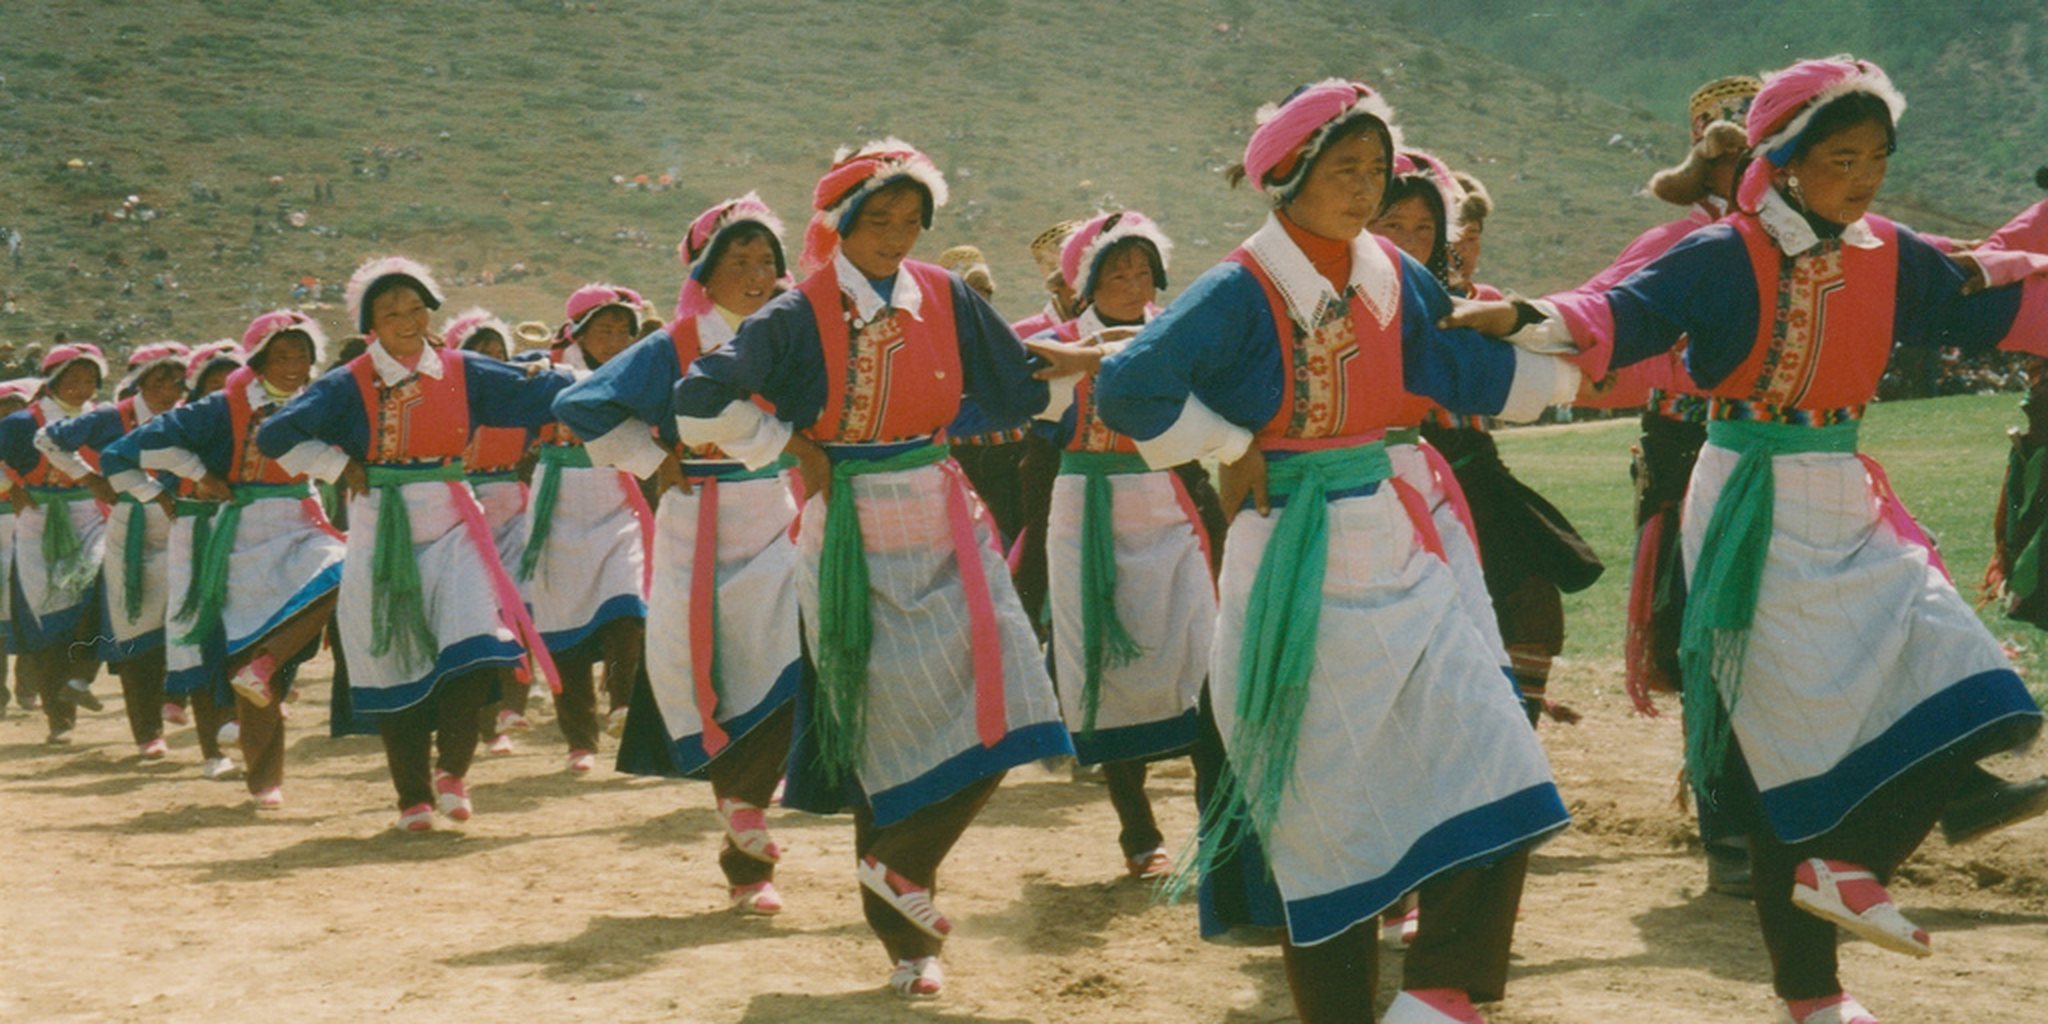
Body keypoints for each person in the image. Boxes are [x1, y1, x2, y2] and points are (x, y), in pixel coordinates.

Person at [1450, 56, 2048, 1024]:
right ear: (1785, 160)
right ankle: (1813, 995)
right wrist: (1527, 315)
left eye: (1877, 158)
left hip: (1844, 494)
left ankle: (1848, 867)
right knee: (1786, 754)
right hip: (1748, 504)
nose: (1863, 178)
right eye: (1842, 158)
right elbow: (1619, 310)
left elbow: (1986, 291)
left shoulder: (1887, 251)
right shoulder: (1721, 253)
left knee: (1982, 691)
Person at [1092, 80, 1577, 1024]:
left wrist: (1582, 359)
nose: (1365, 187)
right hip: (1292, 556)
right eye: (1344, 169)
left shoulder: (1390, 271)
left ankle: (1434, 995)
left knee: (1502, 761)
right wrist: (1230, 443)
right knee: (1324, 813)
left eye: (1376, 169)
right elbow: (1127, 386)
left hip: (1395, 542)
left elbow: (1453, 363)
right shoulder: (1241, 285)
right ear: (1289, 177)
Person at [674, 139, 1071, 998]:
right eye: (878, 218)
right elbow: (699, 399)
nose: (896, 235)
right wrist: (790, 444)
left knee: (1018, 700)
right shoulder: (799, 310)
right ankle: (907, 945)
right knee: (881, 729)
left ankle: (902, 863)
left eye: (911, 219)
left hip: (944, 512)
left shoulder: (944, 294)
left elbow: (1015, 381)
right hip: (851, 528)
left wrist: (1094, 359)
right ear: (840, 224)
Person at [255, 257, 569, 830]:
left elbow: (539, 393)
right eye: (390, 312)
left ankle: (453, 771)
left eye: (415, 308)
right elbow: (276, 434)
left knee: (473, 644)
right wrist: (337, 466)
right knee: (395, 655)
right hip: (383, 524)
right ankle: (413, 798)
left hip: (454, 521)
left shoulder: (461, 370)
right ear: (371, 324)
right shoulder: (347, 383)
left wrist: (586, 378)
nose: (406, 320)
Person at [556, 193, 804, 917]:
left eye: (766, 261)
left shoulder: (792, 333)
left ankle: (746, 811)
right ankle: (745, 854)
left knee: (797, 650)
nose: (755, 276)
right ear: (705, 272)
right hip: (700, 518)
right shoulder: (675, 343)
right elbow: (581, 404)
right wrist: (651, 459)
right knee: (716, 671)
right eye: (739, 261)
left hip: (780, 510)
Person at [1023, 210, 1214, 880]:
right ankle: (1138, 831)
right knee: (1108, 667)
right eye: (1117, 275)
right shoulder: (1054, 346)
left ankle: (1215, 827)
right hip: (1087, 512)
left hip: (1169, 502)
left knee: (1200, 655)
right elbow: (1034, 415)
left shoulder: (1177, 331)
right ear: (1087, 284)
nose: (1134, 286)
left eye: (1142, 273)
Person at [99, 313, 346, 809]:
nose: (293, 365)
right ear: (258, 362)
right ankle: (264, 780)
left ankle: (266, 661)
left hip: (299, 524)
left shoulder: (319, 402)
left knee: (346, 567)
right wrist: (194, 475)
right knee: (244, 649)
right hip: (235, 535)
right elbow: (120, 454)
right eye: (281, 355)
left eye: (301, 355)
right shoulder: (219, 409)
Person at [522, 284, 654, 773]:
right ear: (578, 334)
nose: (616, 340)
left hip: (617, 498)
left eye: (624, 331)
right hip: (558, 502)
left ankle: (622, 701)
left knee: (627, 600)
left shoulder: (642, 373)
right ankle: (580, 740)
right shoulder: (550, 373)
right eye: (605, 330)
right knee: (562, 622)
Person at [34, 341, 188, 761]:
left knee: (183, 620)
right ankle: (148, 732)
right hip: (130, 528)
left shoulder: (187, 416)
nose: (168, 392)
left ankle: (177, 700)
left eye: (177, 384)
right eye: (158, 383)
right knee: (136, 626)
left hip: (184, 525)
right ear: (140, 383)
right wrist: (89, 479)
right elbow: (47, 439)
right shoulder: (111, 417)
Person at [441, 309, 547, 757]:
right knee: (480, 616)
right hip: (463, 511)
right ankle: (483, 723)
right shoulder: (445, 401)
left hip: (513, 507)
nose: (490, 358)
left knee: (521, 603)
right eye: (479, 351)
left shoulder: (519, 397)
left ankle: (512, 708)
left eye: (497, 350)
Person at [0, 344, 112, 744]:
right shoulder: (21, 423)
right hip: (38, 519)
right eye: (73, 379)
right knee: (47, 617)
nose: (82, 387)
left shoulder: (102, 418)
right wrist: (11, 487)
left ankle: (81, 676)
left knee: (102, 589)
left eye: (89, 380)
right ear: (52, 381)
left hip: (89, 516)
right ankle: (59, 717)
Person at [0, 378, 38, 716]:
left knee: (30, 611)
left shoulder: (36, 450)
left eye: (17, 410)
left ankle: (28, 687)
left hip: (28, 533)